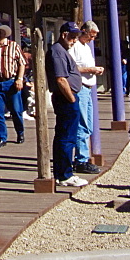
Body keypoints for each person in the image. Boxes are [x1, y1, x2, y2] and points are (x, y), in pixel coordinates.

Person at [45, 22, 87, 189]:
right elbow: (61, 79)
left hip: (67, 98)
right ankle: (64, 175)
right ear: (63, 34)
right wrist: (71, 99)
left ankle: (63, 172)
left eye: (76, 37)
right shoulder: (57, 53)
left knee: (66, 135)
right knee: (67, 137)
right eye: (72, 37)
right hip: (65, 99)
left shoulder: (62, 51)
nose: (74, 40)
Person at [71, 21, 104, 174]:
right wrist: (90, 69)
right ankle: (81, 159)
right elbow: (71, 67)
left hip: (89, 87)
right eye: (91, 36)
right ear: (83, 31)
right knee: (82, 124)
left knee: (89, 123)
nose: (92, 39)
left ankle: (83, 156)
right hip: (81, 87)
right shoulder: (75, 46)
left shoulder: (86, 47)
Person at [0, 23, 26, 147]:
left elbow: (22, 63)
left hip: (11, 81)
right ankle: (2, 137)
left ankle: (20, 132)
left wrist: (19, 79)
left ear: (5, 34)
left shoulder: (13, 46)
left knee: (16, 110)